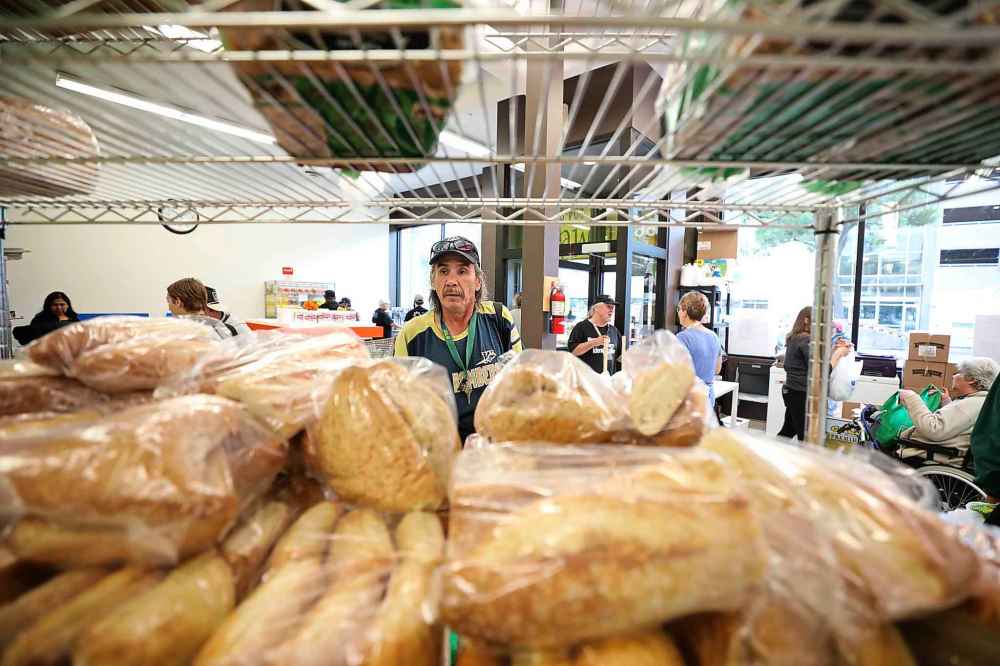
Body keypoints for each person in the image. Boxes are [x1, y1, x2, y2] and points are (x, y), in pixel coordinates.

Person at [395, 236, 522, 442]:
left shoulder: (499, 318)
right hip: (440, 448)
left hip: (493, 445)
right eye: (443, 271)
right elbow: (400, 407)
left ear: (478, 281)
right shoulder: (412, 334)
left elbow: (519, 386)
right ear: (433, 281)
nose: (451, 281)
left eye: (462, 271)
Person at [777, 306, 853, 441]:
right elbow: (821, 372)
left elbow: (816, 361)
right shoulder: (805, 340)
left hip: (793, 391)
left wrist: (834, 350)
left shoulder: (796, 337)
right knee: (806, 438)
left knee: (788, 431)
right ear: (806, 320)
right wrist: (839, 354)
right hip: (801, 394)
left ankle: (771, 452)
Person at [898, 357, 998, 453]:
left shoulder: (970, 404)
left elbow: (934, 430)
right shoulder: (980, 401)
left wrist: (912, 398)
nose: (953, 376)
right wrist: (946, 402)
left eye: (959, 373)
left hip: (927, 453)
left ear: (971, 379)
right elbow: (958, 421)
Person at [675, 291, 723, 408]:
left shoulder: (682, 338)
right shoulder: (713, 336)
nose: (678, 313)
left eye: (678, 309)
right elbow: (717, 369)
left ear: (684, 311)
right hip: (707, 399)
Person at [567, 295, 622, 375]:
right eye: (608, 306)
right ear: (596, 308)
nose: (612, 310)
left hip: (608, 379)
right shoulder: (581, 327)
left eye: (613, 307)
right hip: (586, 380)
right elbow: (573, 352)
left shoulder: (614, 331)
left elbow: (619, 357)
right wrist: (594, 342)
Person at [166, 278, 235, 339]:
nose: (169, 308)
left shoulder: (176, 334)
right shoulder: (227, 330)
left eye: (168, 301)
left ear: (177, 302)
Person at [13, 291, 80, 345]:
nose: (59, 307)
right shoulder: (39, 320)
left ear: (67, 305)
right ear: (48, 306)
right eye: (55, 305)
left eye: (62, 304)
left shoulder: (74, 320)